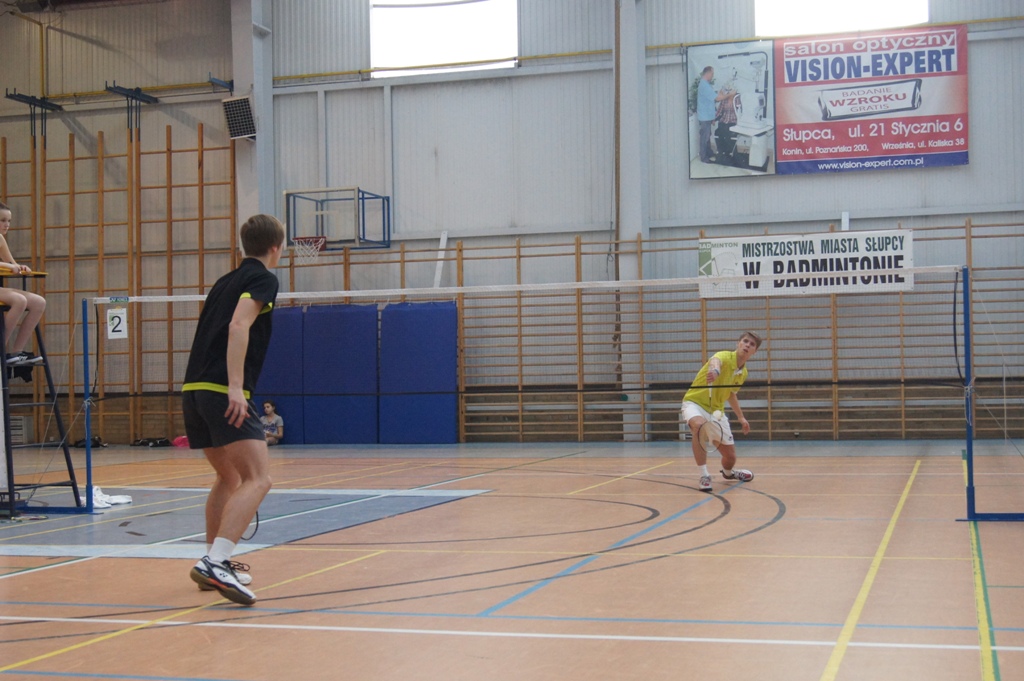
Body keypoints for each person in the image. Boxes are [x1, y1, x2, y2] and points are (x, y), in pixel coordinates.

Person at [182, 214, 285, 606]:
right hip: (221, 390)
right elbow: (239, 326)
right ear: (276, 247)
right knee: (259, 478)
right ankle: (216, 561)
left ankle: (213, 563)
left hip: (194, 389)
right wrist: (236, 388)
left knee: (228, 477)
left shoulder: (224, 281)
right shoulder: (263, 278)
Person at [681, 331, 762, 492]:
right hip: (695, 403)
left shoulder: (743, 373)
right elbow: (715, 361)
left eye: (752, 344)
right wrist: (715, 371)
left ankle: (729, 473)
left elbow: (731, 393)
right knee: (698, 426)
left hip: (716, 411)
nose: (747, 345)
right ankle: (704, 475)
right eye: (745, 341)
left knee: (730, 458)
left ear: (755, 351)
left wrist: (741, 418)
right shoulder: (724, 356)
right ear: (738, 343)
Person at [0, 201, 46, 366]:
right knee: (19, 300)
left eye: (9, 221)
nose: (7, 224)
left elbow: (12, 263)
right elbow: (8, 266)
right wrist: (9, 267)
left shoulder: (0, 239)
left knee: (39, 302)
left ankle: (16, 352)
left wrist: (21, 267)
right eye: (2, 220)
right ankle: (1, 349)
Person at [696, 66, 735, 164]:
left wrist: (722, 92)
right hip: (704, 116)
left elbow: (713, 97)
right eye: (712, 74)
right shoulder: (704, 85)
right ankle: (703, 157)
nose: (712, 76)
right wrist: (730, 95)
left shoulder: (706, 84)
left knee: (707, 136)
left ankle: (709, 152)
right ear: (708, 73)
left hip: (707, 115)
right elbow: (717, 99)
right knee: (704, 137)